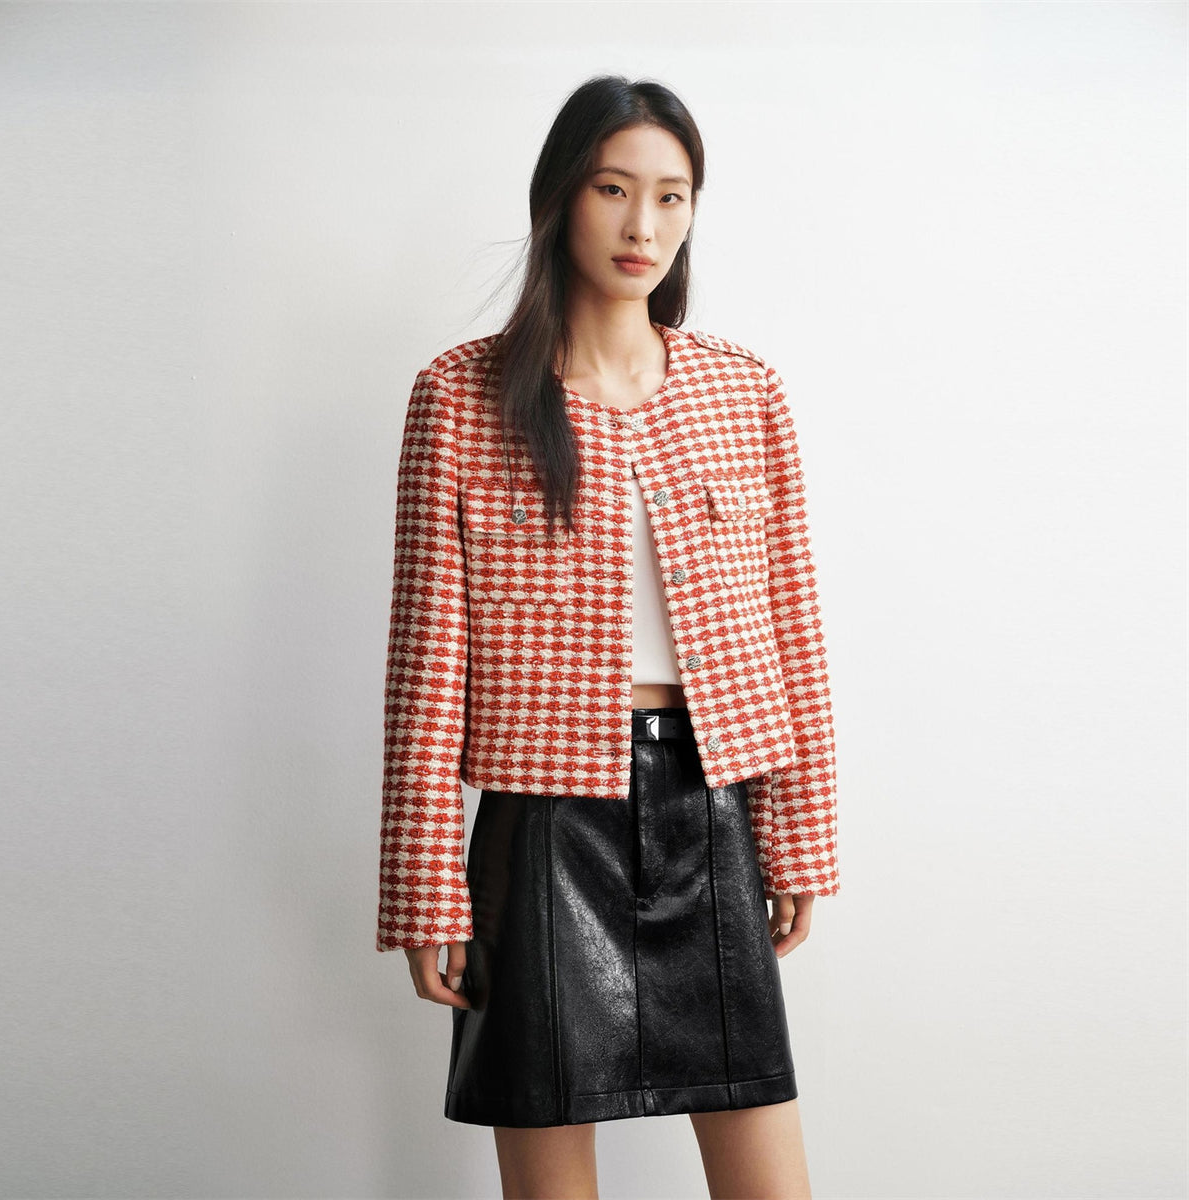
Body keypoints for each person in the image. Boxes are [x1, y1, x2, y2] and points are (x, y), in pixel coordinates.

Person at [377, 75, 838, 1200]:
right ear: (559, 198)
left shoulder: (742, 392)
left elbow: (793, 627)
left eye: (672, 196)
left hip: (714, 807)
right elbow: (426, 665)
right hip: (544, 826)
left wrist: (799, 838)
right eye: (613, 189)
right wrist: (426, 889)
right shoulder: (462, 397)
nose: (644, 225)